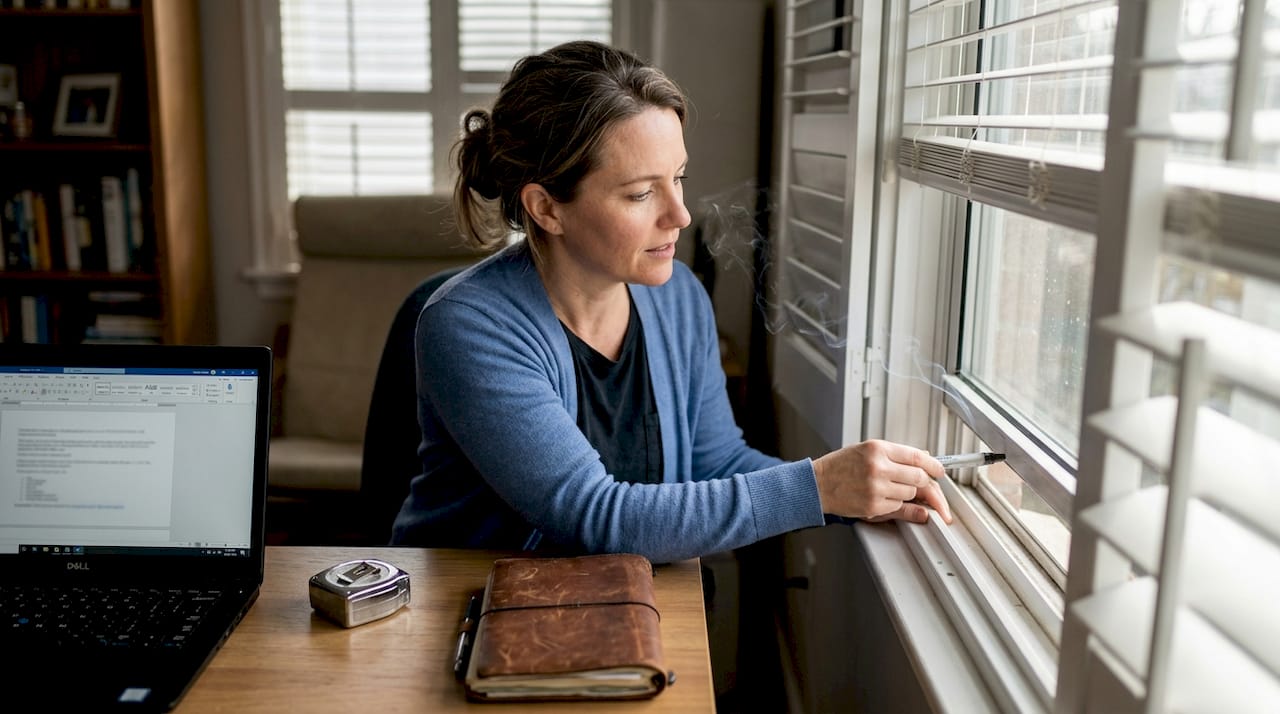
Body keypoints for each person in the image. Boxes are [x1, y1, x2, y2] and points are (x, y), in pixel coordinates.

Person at [390, 41, 951, 562]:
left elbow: (716, 463)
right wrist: (819, 486)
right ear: (547, 208)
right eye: (640, 193)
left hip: (615, 606)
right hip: (473, 612)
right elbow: (593, 515)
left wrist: (861, 490)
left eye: (678, 178)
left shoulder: (678, 297)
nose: (679, 215)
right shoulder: (468, 325)